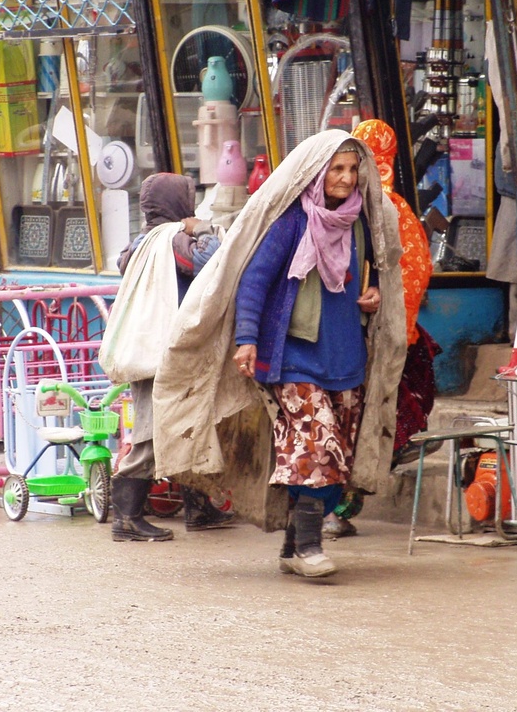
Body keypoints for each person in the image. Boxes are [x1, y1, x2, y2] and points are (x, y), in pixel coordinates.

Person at [150, 129, 406, 579]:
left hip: (346, 360)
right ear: (316, 173)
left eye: (352, 170)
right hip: (292, 359)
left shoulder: (363, 222)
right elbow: (254, 282)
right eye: (336, 170)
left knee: (338, 457)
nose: (346, 179)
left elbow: (378, 275)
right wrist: (247, 340)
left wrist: (375, 292)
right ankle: (309, 547)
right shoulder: (291, 223)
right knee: (316, 447)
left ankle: (291, 545)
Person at [323, 119, 442, 539]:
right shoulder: (393, 210)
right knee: (368, 418)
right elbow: (417, 271)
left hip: (344, 335)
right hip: (380, 335)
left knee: (346, 418)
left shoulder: (343, 207)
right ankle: (337, 507)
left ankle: (331, 507)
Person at [104, 172, 235, 541]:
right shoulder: (172, 240)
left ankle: (199, 508)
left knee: (188, 426)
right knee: (150, 435)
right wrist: (204, 228)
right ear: (179, 203)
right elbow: (212, 261)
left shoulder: (140, 243)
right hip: (162, 356)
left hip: (152, 351)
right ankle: (126, 519)